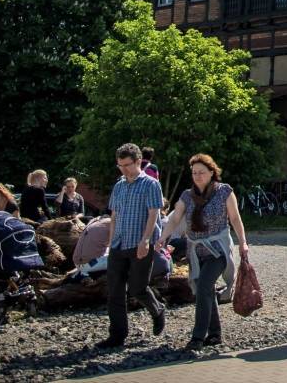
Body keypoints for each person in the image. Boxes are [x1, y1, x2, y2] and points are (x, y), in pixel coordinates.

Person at [157, 153, 249, 350]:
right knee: (204, 291)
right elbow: (174, 219)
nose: (197, 176)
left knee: (205, 286)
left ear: (212, 173)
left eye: (201, 172)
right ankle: (215, 334)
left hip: (218, 250)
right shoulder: (187, 196)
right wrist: (163, 237)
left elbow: (235, 218)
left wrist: (243, 242)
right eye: (194, 173)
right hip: (197, 252)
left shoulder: (224, 191)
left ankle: (197, 337)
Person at [95, 143, 166, 351]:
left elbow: (154, 214)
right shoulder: (119, 185)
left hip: (139, 243)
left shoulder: (150, 184)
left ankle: (157, 309)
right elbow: (114, 215)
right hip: (119, 243)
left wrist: (146, 240)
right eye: (120, 165)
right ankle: (117, 335)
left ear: (137, 162)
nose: (123, 169)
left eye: (127, 165)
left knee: (137, 288)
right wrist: (110, 242)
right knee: (115, 291)